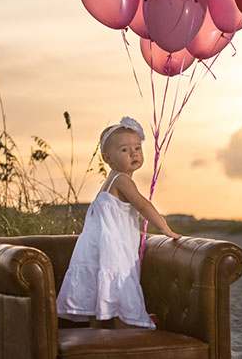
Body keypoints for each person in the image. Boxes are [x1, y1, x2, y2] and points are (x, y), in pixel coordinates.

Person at [56, 116, 181, 330]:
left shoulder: (110, 180)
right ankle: (127, 328)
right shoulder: (122, 180)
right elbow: (144, 206)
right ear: (108, 159)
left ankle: (97, 333)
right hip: (113, 251)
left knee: (101, 298)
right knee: (118, 292)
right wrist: (164, 228)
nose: (133, 153)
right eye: (124, 150)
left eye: (137, 147)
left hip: (99, 251)